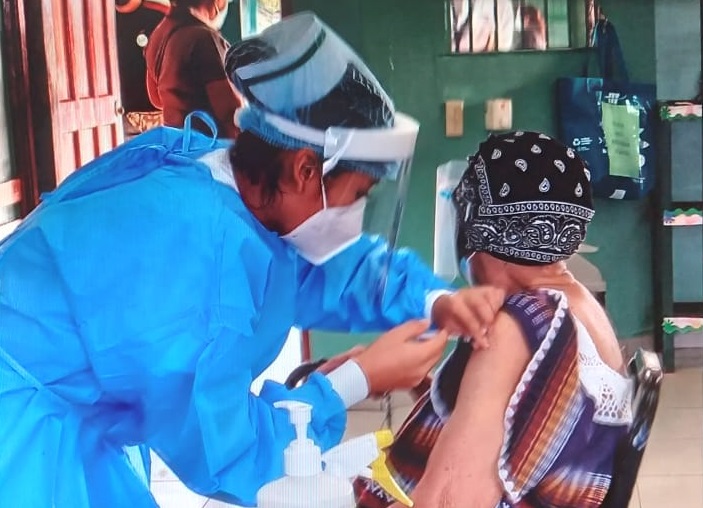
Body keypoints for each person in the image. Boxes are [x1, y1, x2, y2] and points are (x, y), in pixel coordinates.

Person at [0, 13, 504, 508]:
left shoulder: (236, 186)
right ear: (307, 169)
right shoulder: (195, 257)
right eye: (358, 193)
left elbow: (320, 272)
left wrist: (433, 299)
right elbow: (227, 451)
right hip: (20, 428)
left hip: (65, 406)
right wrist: (355, 380)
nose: (354, 214)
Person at [356, 132, 634, 508]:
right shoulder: (580, 305)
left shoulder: (520, 323)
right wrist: (406, 378)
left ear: (476, 226)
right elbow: (520, 421)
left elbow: (449, 501)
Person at [144, 0, 241, 138]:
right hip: (209, 150)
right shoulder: (204, 39)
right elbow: (231, 113)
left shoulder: (158, 35)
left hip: (177, 146)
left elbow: (156, 99)